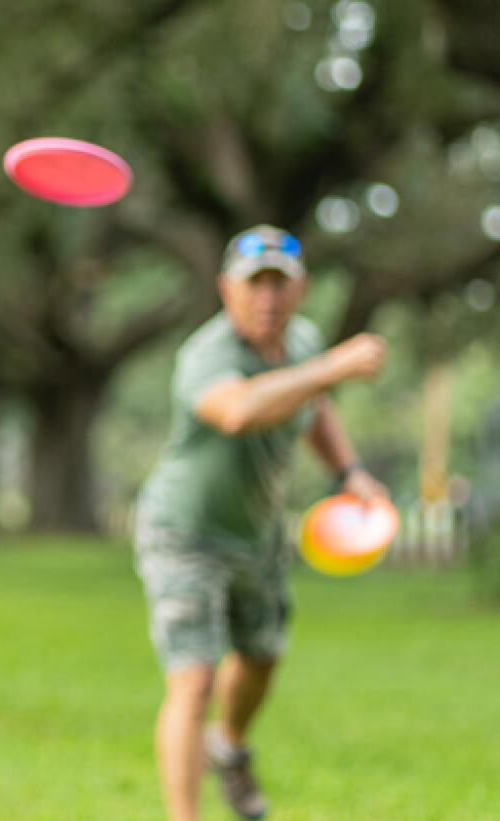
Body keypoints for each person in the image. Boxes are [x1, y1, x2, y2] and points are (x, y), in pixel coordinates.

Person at [134, 225, 388, 821]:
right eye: (255, 285)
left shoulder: (302, 343)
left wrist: (348, 470)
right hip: (184, 534)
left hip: (258, 534)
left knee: (262, 657)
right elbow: (240, 411)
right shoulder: (208, 355)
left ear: (301, 290)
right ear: (227, 289)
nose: (267, 299)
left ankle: (229, 747)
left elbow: (314, 406)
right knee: (193, 679)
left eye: (279, 284)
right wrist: (330, 367)